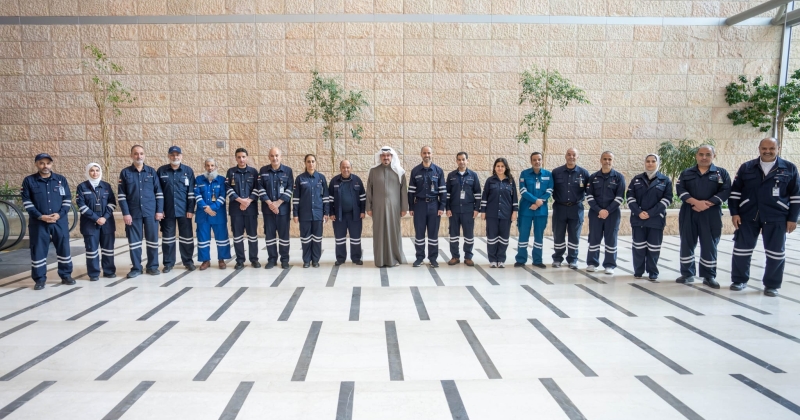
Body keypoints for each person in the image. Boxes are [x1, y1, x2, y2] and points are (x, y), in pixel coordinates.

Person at [729, 137, 800, 297]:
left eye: (772, 148)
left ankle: (772, 285)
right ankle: (739, 280)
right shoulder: (747, 167)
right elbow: (735, 193)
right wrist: (734, 213)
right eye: (764, 148)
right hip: (748, 215)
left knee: (776, 252)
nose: (767, 151)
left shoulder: (789, 168)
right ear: (759, 149)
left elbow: (796, 196)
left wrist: (792, 218)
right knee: (741, 250)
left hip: (777, 216)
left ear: (778, 149)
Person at [675, 145, 731, 288]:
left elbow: (725, 191)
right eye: (701, 154)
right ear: (696, 155)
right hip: (689, 211)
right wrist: (695, 202)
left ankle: (709, 276)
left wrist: (707, 204)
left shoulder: (721, 173)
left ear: (714, 156)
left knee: (709, 244)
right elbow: (680, 189)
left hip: (711, 213)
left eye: (708, 154)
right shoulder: (686, 173)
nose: (704, 157)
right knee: (687, 242)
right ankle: (687, 274)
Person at [20, 153, 75, 290]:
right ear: (36, 164)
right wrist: (40, 216)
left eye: (48, 163)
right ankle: (39, 279)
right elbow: (27, 202)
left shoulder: (61, 180)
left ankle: (66, 275)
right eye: (42, 163)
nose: (45, 166)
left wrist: (59, 214)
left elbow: (67, 199)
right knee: (38, 251)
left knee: (64, 249)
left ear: (52, 164)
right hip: (39, 223)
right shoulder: (29, 181)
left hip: (59, 222)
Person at [118, 145, 164, 278]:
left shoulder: (151, 172)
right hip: (133, 213)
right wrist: (126, 213)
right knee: (134, 242)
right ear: (131, 155)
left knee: (152, 241)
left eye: (141, 153)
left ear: (144, 155)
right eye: (136, 153)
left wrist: (159, 211)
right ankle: (136, 268)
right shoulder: (125, 173)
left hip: (151, 212)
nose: (139, 156)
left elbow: (159, 193)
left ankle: (152, 266)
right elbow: (121, 195)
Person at [627, 154, 672, 281]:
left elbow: (667, 199)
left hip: (655, 219)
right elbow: (630, 197)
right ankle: (638, 271)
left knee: (654, 247)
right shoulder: (636, 179)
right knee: (638, 246)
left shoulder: (665, 180)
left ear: (658, 163)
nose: (650, 163)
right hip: (638, 219)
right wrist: (638, 212)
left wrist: (650, 213)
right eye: (648, 161)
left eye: (653, 161)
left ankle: (653, 271)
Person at [367, 147, 409, 267]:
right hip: (378, 208)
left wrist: (404, 208)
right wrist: (368, 207)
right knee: (379, 233)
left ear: (392, 157)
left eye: (388, 155)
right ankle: (380, 260)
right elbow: (369, 190)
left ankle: (394, 258)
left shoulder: (399, 172)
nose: (386, 158)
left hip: (394, 208)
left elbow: (403, 191)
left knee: (393, 232)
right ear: (380, 157)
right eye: (383, 155)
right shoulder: (373, 171)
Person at [585, 151, 626, 275]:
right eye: (605, 159)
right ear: (600, 160)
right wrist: (599, 210)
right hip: (595, 213)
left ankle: (609, 265)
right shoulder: (593, 177)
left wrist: (607, 211)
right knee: (594, 238)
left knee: (611, 239)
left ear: (612, 161)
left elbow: (620, 197)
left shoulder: (619, 177)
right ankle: (592, 263)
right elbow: (589, 196)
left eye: (609, 159)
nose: (607, 161)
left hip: (612, 213)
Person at [157, 146, 196, 273]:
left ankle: (188, 261)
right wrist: (160, 209)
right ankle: (168, 263)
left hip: (184, 211)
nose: (175, 157)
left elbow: (191, 192)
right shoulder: (161, 171)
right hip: (167, 211)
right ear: (168, 156)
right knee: (168, 238)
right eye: (172, 155)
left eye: (177, 155)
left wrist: (191, 209)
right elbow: (158, 192)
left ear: (181, 156)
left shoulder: (188, 171)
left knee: (187, 237)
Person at [76, 163, 117, 281]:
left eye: (97, 170)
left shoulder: (106, 186)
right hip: (89, 224)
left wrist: (104, 217)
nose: (95, 173)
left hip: (107, 223)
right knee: (91, 250)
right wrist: (96, 218)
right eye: (92, 170)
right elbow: (81, 205)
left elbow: (112, 203)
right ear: (88, 172)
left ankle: (109, 271)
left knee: (108, 249)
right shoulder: (82, 187)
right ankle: (93, 273)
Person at [551, 148, 590, 269]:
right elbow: (551, 189)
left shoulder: (584, 173)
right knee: (558, 234)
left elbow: (589, 191)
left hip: (576, 208)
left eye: (574, 155)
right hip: (560, 207)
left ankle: (573, 259)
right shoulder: (556, 172)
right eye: (569, 154)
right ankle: (557, 258)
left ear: (577, 157)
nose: (571, 157)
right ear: (565, 156)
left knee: (574, 235)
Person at [408, 146, 447, 267]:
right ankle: (419, 257)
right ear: (421, 154)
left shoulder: (438, 171)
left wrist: (442, 206)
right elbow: (411, 191)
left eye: (429, 153)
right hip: (419, 205)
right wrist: (411, 207)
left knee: (433, 234)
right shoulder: (415, 171)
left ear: (432, 154)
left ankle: (433, 258)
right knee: (419, 233)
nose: (427, 155)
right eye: (424, 153)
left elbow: (443, 191)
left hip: (434, 205)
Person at [515, 151, 552, 269]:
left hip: (541, 211)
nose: (537, 161)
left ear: (542, 160)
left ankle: (537, 260)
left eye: (539, 159)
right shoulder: (524, 174)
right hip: (526, 210)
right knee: (523, 235)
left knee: (539, 236)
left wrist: (539, 203)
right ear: (531, 161)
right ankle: (521, 259)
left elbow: (549, 191)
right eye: (534, 160)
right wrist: (535, 200)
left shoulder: (548, 174)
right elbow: (523, 190)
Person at [226, 148, 261, 270]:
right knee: (237, 236)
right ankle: (240, 260)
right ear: (235, 158)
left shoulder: (253, 172)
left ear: (247, 157)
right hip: (236, 210)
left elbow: (257, 188)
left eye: (243, 157)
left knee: (252, 236)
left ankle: (254, 259)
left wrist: (248, 201)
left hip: (251, 209)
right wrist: (241, 201)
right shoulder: (231, 172)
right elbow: (228, 188)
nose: (241, 159)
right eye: (239, 157)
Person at [258, 148, 293, 270]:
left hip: (283, 210)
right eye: (272, 156)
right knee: (270, 236)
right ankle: (272, 259)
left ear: (281, 156)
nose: (275, 158)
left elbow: (290, 189)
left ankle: (284, 260)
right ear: (269, 157)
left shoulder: (288, 171)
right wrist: (270, 204)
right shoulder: (263, 171)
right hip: (268, 211)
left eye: (277, 155)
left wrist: (278, 203)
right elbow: (260, 188)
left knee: (284, 237)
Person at [480, 158, 518, 267]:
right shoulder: (490, 180)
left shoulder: (510, 181)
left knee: (504, 238)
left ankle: (501, 259)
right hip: (491, 214)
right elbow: (485, 196)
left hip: (506, 214)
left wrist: (515, 211)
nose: (500, 168)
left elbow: (514, 197)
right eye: (498, 166)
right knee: (492, 237)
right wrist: (483, 211)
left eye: (502, 166)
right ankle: (492, 260)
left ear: (506, 168)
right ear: (495, 168)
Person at [293, 154, 330, 268]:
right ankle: (306, 260)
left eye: (313, 161)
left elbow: (325, 197)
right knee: (305, 239)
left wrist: (326, 212)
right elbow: (296, 198)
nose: (311, 164)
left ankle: (315, 260)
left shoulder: (321, 178)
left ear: (316, 162)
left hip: (318, 214)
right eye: (308, 161)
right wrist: (295, 213)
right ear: (305, 163)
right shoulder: (300, 179)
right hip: (304, 214)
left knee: (317, 238)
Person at [195, 158, 231, 270]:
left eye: (212, 165)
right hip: (203, 214)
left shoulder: (222, 180)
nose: (210, 168)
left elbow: (223, 196)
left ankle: (221, 259)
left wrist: (212, 208)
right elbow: (197, 194)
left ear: (216, 167)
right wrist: (206, 207)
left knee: (222, 238)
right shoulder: (199, 179)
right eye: (207, 165)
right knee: (203, 238)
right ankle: (205, 260)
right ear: (204, 167)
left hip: (217, 214)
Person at [446, 152, 481, 266]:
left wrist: (476, 209)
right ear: (456, 161)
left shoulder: (473, 175)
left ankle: (468, 257)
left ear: (467, 161)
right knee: (453, 235)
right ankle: (455, 256)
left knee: (469, 235)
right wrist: (447, 208)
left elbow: (478, 193)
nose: (461, 162)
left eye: (463, 159)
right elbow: (447, 194)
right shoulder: (451, 176)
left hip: (468, 210)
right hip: (454, 210)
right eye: (459, 159)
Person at [329, 160, 365, 265]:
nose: (346, 169)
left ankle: (356, 258)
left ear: (351, 168)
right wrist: (331, 212)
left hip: (355, 215)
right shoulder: (334, 181)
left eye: (348, 167)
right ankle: (340, 259)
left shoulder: (357, 180)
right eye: (343, 167)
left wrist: (362, 211)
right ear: (340, 168)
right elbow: (330, 199)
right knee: (339, 238)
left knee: (356, 238)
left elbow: (363, 197)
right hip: (339, 215)